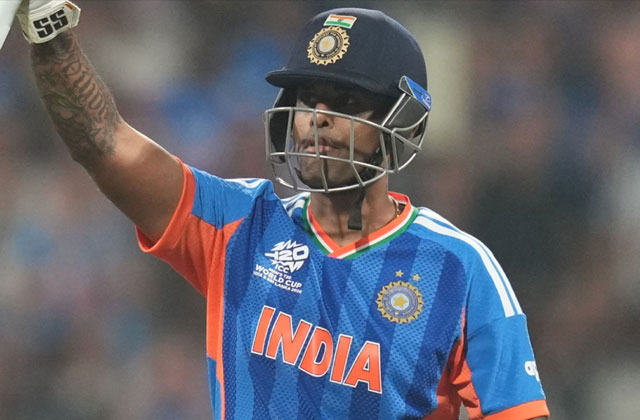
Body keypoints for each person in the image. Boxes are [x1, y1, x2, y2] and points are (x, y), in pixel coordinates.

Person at [19, 1, 550, 419]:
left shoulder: (460, 269)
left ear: (401, 123)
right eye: (305, 98)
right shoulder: (240, 225)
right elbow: (104, 143)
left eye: (345, 103)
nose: (317, 118)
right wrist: (50, 30)